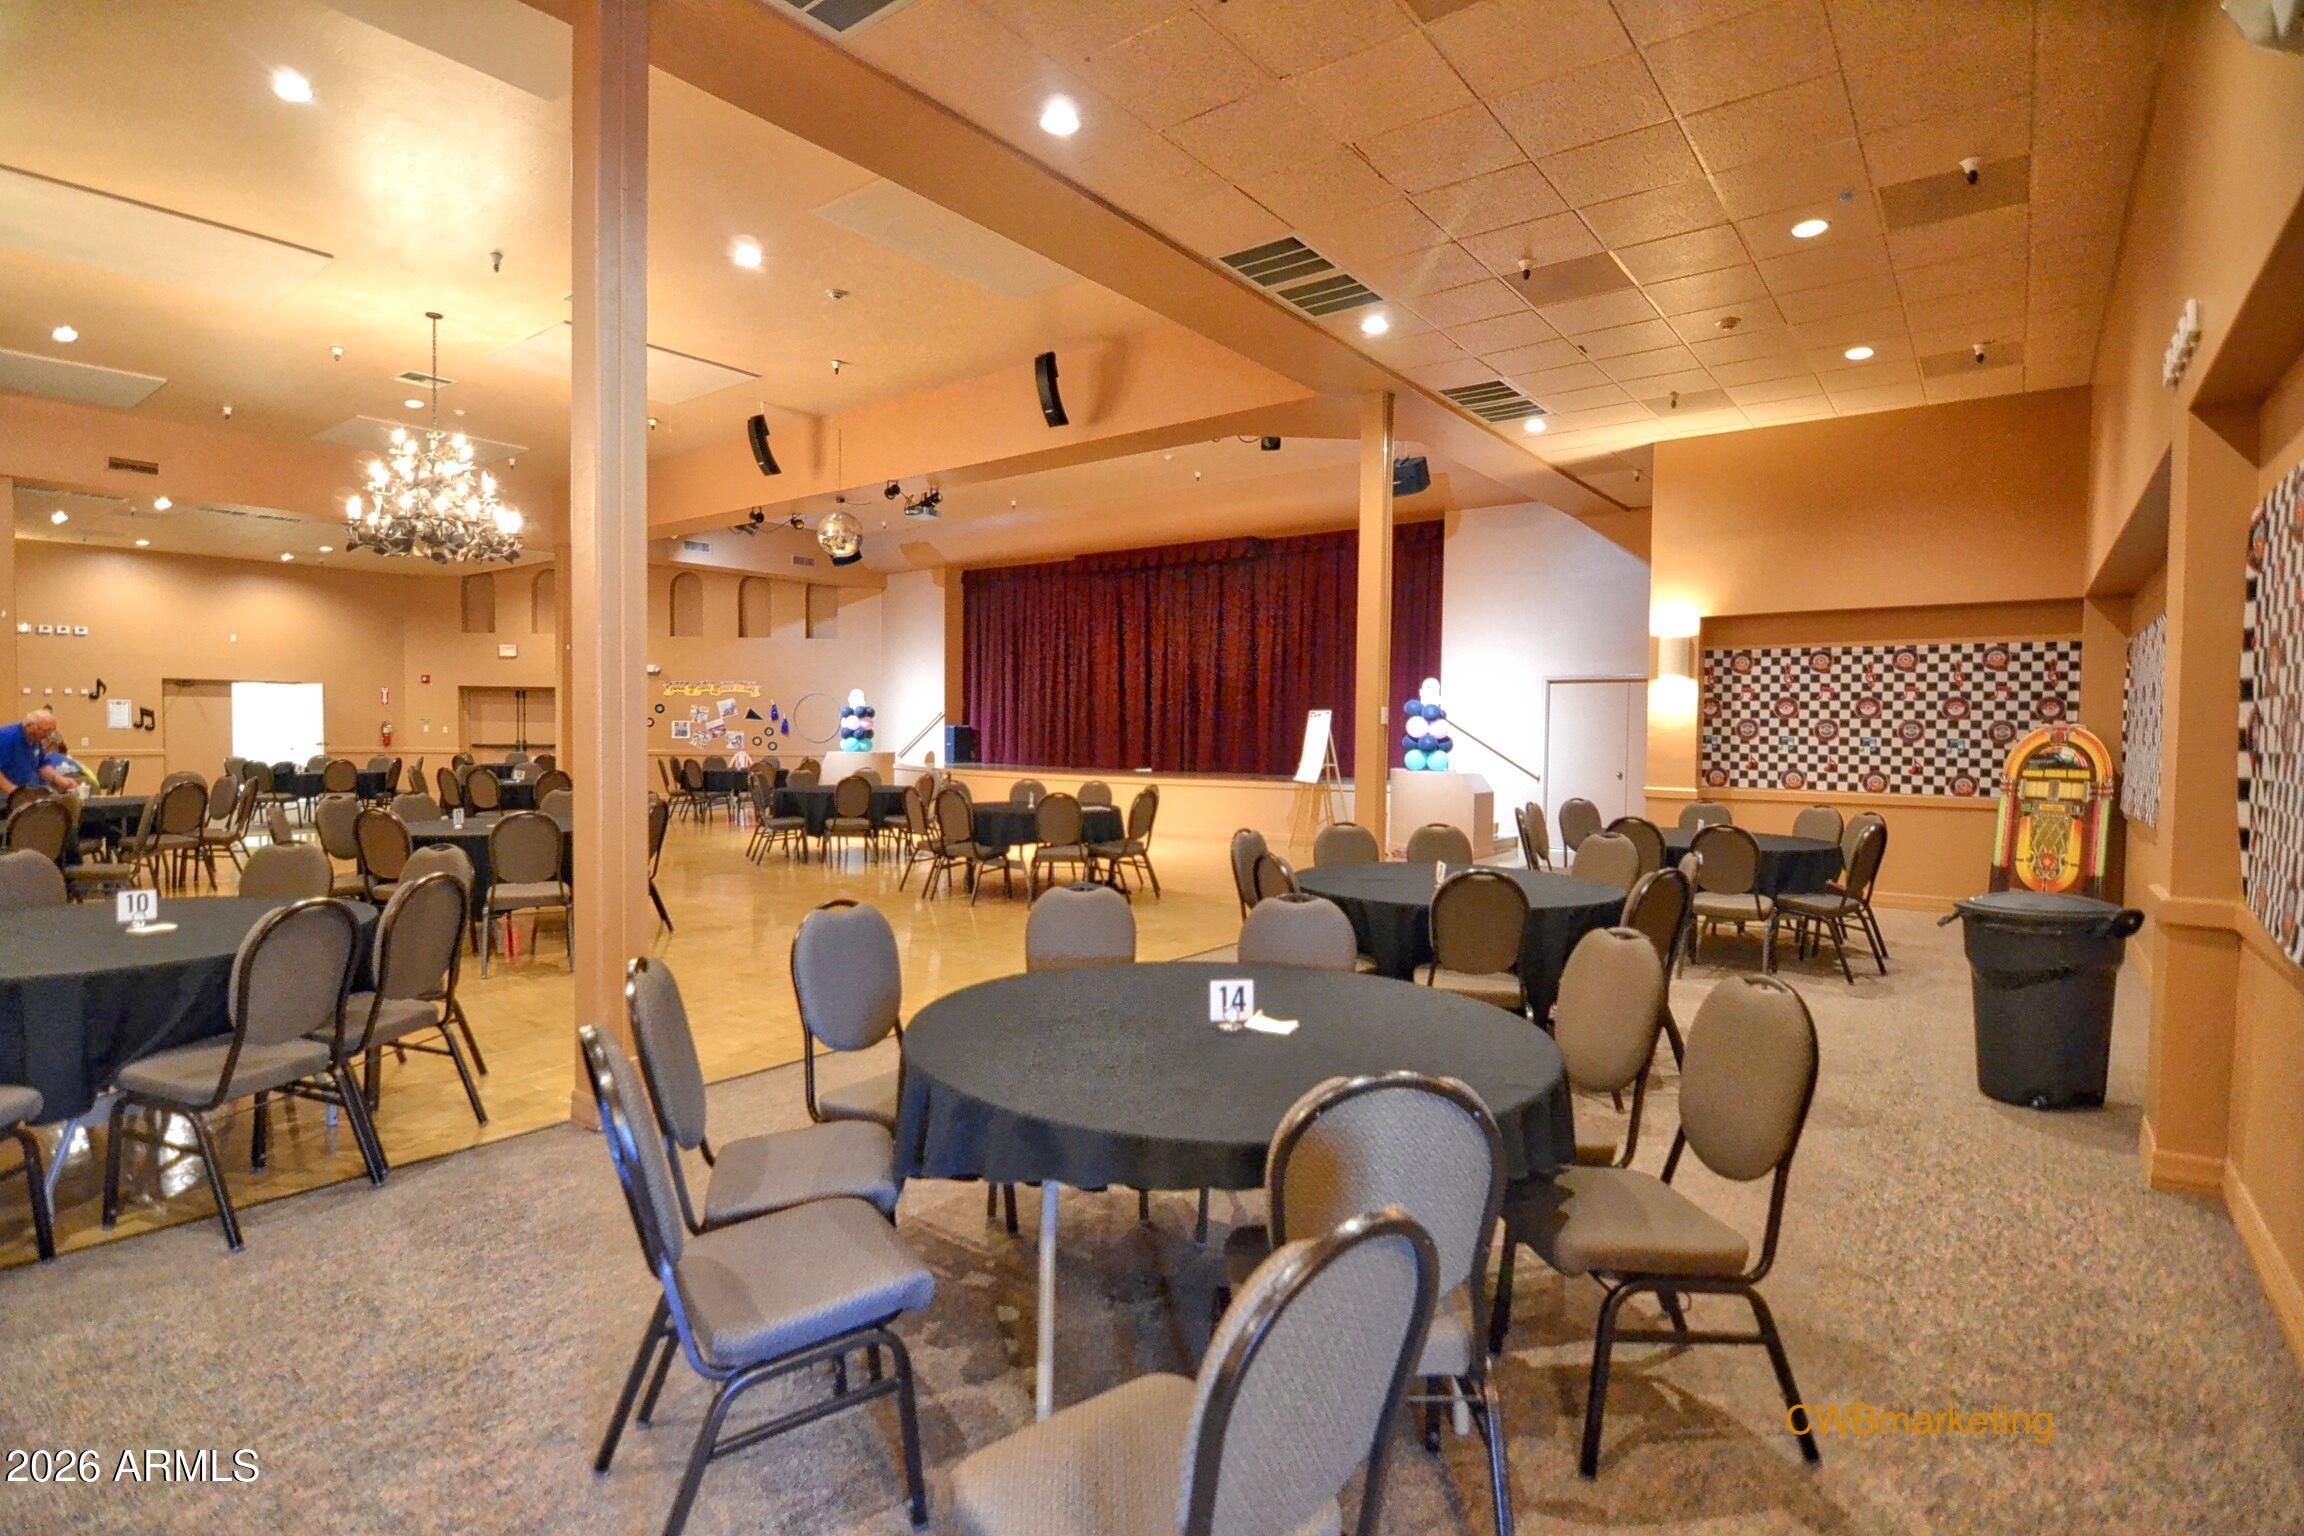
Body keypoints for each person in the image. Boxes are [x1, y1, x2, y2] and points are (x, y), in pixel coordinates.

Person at [0, 708, 68, 795]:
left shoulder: (36, 739)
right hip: (6, 796)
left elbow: (41, 765)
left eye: (52, 730)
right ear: (30, 726)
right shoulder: (6, 737)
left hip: (25, 791)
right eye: (46, 730)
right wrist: (14, 792)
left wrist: (58, 778)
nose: (48, 735)